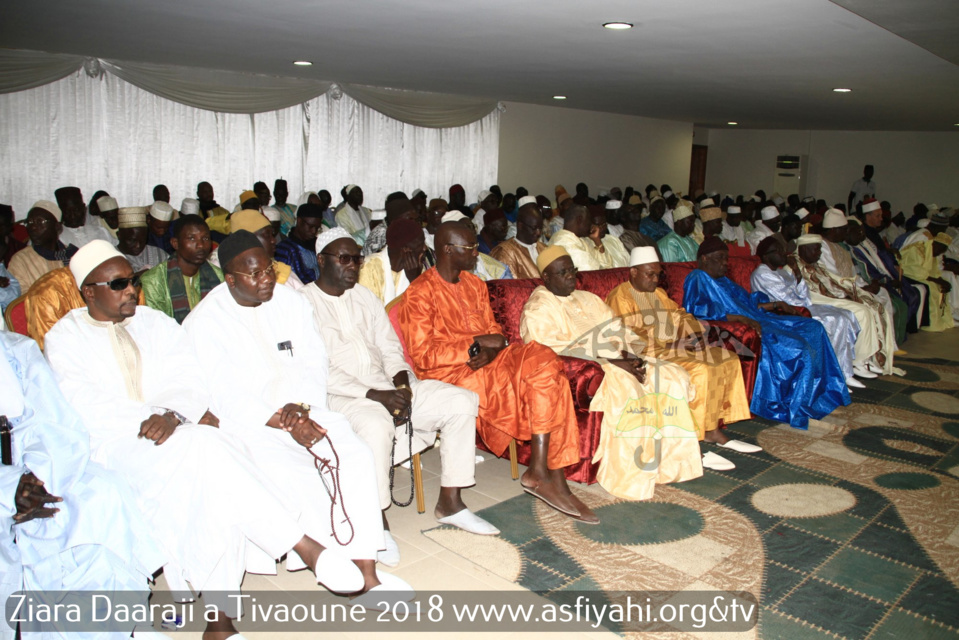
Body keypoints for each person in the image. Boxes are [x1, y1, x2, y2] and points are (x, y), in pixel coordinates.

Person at [46, 241, 375, 637]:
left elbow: (188, 380)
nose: (131, 290)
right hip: (117, 445)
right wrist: (153, 419)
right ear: (89, 291)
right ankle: (302, 545)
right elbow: (84, 403)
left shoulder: (155, 323)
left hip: (176, 433)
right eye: (118, 284)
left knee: (216, 478)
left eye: (132, 280)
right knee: (213, 447)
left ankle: (221, 623)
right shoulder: (65, 337)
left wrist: (170, 414)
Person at [183, 231, 413, 603]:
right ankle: (329, 563)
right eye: (254, 274)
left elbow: (313, 361)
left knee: (354, 456)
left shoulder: (290, 302)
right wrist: (283, 420)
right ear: (230, 279)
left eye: (269, 270)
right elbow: (223, 395)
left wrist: (302, 408)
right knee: (294, 473)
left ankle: (367, 572)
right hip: (253, 424)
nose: (266, 280)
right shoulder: (205, 321)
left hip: (306, 409)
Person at [302, 228, 497, 550]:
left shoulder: (364, 296)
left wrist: (403, 383)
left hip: (387, 385)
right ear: (321, 260)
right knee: (376, 424)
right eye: (344, 258)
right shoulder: (301, 304)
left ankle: (451, 502)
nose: (353, 266)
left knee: (461, 401)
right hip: (340, 396)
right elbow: (314, 370)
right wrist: (376, 396)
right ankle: (376, 520)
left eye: (357, 259)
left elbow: (391, 348)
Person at [396, 222, 596, 523]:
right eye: (470, 248)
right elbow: (425, 357)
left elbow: (497, 335)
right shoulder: (419, 294)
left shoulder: (475, 285)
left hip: (494, 361)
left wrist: (490, 348)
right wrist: (476, 344)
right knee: (544, 378)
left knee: (545, 358)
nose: (477, 252)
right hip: (453, 374)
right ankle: (551, 476)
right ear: (448, 250)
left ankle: (542, 470)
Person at [1, 328, 165, 640]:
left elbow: (54, 419)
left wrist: (40, 478)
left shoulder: (14, 348)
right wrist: (10, 489)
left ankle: (116, 626)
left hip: (35, 468)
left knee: (102, 494)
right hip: (6, 483)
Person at [521, 246, 710, 498]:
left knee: (672, 376)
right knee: (629, 388)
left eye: (572, 271)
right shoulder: (538, 307)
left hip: (617, 358)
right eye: (562, 272)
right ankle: (630, 475)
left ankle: (669, 464)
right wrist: (611, 360)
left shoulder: (587, 298)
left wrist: (632, 354)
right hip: (589, 367)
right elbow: (547, 350)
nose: (570, 277)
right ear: (546, 277)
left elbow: (619, 330)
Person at [606, 247, 757, 460]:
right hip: (651, 353)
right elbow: (627, 336)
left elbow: (680, 315)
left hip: (675, 346)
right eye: (650, 274)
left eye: (658, 274)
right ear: (633, 272)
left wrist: (694, 335)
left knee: (727, 359)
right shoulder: (620, 297)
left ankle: (712, 429)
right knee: (702, 370)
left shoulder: (658, 293)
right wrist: (670, 346)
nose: (655, 279)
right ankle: (694, 437)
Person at [683, 237, 850, 429]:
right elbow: (697, 311)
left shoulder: (724, 281)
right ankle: (797, 404)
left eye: (726, 258)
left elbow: (749, 303)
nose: (725, 263)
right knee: (797, 345)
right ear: (704, 258)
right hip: (743, 325)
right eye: (720, 258)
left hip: (759, 317)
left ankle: (819, 394)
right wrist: (742, 320)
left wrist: (776, 305)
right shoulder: (697, 277)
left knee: (814, 328)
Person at [751, 236, 863, 389]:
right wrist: (801, 300)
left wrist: (797, 273)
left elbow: (804, 297)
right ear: (766, 256)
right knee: (834, 321)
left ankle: (845, 371)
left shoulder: (781, 272)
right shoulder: (761, 273)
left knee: (846, 315)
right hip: (783, 315)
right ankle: (832, 377)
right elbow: (789, 302)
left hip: (800, 307)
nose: (784, 254)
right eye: (779, 251)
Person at [794, 234, 900, 378]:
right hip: (818, 302)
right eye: (816, 250)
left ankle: (870, 357)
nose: (819, 254)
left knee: (873, 305)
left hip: (831, 297)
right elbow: (808, 294)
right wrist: (840, 298)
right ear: (803, 249)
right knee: (861, 311)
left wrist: (850, 291)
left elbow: (834, 281)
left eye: (819, 250)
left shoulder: (815, 264)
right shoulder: (794, 267)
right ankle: (858, 361)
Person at [852, 200, 926, 334]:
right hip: (877, 277)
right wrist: (886, 279)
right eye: (877, 216)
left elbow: (880, 255)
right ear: (867, 217)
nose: (881, 219)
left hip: (886, 272)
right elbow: (872, 263)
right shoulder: (865, 235)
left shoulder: (872, 233)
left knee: (914, 293)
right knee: (904, 299)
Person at [140, 214, 223, 323]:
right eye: (192, 238)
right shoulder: (153, 281)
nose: (201, 245)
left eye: (205, 238)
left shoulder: (219, 276)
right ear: (175, 243)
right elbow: (155, 328)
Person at [8, 201, 77, 293]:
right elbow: (21, 299)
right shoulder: (20, 260)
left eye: (40, 221)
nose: (33, 227)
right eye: (29, 222)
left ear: (57, 226)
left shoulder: (74, 256)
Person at [226, 209, 303, 289]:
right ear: (248, 240)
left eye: (272, 235)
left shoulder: (281, 271)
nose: (273, 240)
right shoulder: (228, 274)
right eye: (267, 235)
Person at [358, 218, 427, 305]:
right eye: (420, 244)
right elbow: (368, 312)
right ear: (405, 250)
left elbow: (425, 308)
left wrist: (415, 280)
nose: (425, 248)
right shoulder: (368, 267)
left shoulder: (417, 268)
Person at [900, 232, 956, 331]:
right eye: (940, 250)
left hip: (920, 276)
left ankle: (942, 319)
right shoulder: (917, 249)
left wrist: (941, 281)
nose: (939, 253)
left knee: (941, 286)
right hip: (907, 275)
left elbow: (934, 272)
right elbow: (914, 270)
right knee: (931, 287)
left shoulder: (932, 251)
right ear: (935, 244)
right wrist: (936, 280)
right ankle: (930, 322)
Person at [490, 198, 547, 278]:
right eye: (534, 228)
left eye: (540, 228)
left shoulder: (544, 248)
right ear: (520, 225)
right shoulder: (505, 253)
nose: (538, 233)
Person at [548, 204, 613, 271]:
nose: (591, 225)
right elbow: (594, 271)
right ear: (579, 220)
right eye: (589, 221)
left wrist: (597, 241)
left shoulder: (583, 238)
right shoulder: (564, 243)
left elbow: (608, 264)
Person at [275, 202, 325, 284]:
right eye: (311, 226)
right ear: (299, 221)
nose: (314, 231)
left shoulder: (318, 245)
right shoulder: (284, 249)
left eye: (317, 228)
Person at [116, 207, 169, 273]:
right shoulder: (110, 258)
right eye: (132, 241)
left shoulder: (160, 254)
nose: (138, 246)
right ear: (119, 235)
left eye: (143, 240)